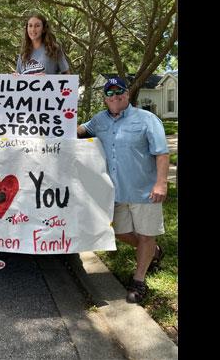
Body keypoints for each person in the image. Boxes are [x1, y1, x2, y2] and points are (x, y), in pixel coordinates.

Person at [77, 77, 169, 304]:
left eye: (120, 91)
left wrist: (161, 183)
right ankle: (152, 251)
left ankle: (138, 281)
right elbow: (77, 130)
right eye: (110, 92)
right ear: (105, 98)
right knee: (116, 231)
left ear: (127, 94)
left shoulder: (147, 119)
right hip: (115, 193)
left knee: (146, 234)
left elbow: (162, 152)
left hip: (144, 191)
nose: (115, 96)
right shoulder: (99, 121)